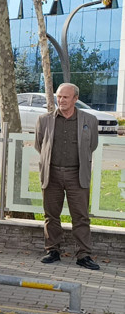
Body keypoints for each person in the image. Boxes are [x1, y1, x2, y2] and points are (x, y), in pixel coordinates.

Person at [35, 83, 99, 270]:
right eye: (59, 96)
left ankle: (84, 255)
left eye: (65, 97)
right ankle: (52, 250)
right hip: (52, 173)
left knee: (80, 216)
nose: (61, 100)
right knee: (51, 215)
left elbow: (91, 145)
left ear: (75, 99)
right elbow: (40, 145)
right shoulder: (44, 120)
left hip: (77, 174)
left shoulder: (90, 120)